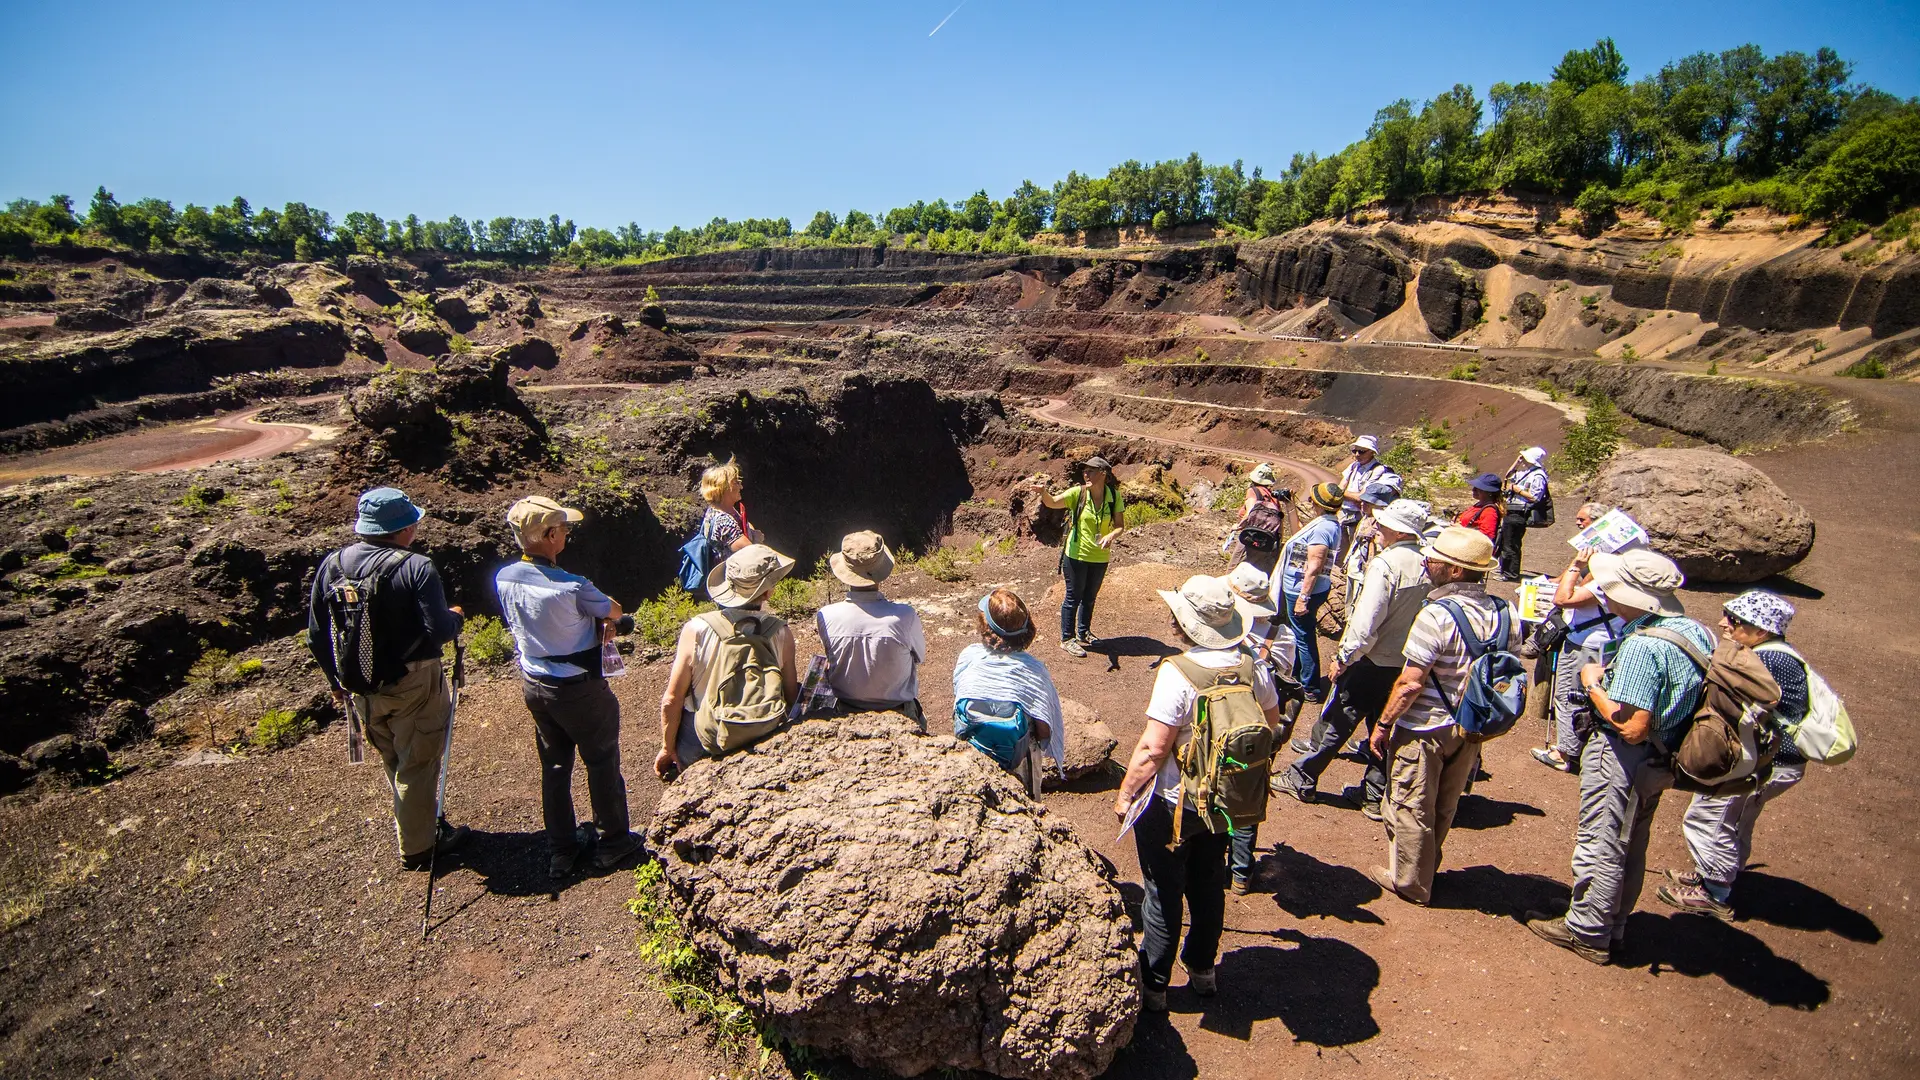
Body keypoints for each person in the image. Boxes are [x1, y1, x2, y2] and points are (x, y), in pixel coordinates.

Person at [1527, 547, 1711, 964]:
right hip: (1662, 756)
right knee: (1631, 840)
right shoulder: (1694, 631)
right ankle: (1614, 923)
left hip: (1624, 754)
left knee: (1602, 840)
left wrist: (1593, 684)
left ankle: (1588, 931)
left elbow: (1631, 725)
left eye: (1614, 589)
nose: (1607, 595)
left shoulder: (1644, 647)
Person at [1113, 575, 1282, 1011]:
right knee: (1209, 884)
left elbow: (1154, 749)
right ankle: (1203, 969)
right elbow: (1272, 723)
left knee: (1162, 890)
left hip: (1177, 803)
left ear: (1182, 623)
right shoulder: (1252, 665)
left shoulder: (1178, 672)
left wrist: (1126, 794)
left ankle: (1154, 985)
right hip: (1225, 801)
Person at [308, 487, 468, 871]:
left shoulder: (333, 564)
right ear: (405, 527)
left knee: (395, 757)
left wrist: (336, 681)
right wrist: (456, 616)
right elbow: (438, 630)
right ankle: (419, 846)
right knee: (417, 760)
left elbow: (317, 634)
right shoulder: (416, 566)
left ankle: (420, 825)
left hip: (361, 685)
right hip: (414, 681)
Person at [1361, 526, 1515, 905]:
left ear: (1456, 571)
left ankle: (1410, 881)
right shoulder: (1504, 611)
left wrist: (1383, 724)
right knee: (1446, 802)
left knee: (1409, 803)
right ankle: (1428, 865)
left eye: (1437, 560)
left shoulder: (1436, 615)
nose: (1428, 563)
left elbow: (1411, 683)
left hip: (1425, 726)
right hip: (1471, 724)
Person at [494, 496, 639, 877]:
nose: (567, 533)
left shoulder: (503, 577)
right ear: (549, 534)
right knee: (601, 760)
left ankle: (561, 848)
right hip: (579, 688)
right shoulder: (573, 586)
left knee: (555, 766)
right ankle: (613, 842)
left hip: (535, 684)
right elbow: (616, 611)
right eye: (563, 528)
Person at [1275, 499, 1432, 819]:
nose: (1379, 527)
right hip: (1401, 659)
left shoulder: (1386, 565)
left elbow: (1366, 621)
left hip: (1369, 658)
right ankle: (1374, 794)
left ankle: (1302, 777)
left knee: (1338, 719)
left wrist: (1344, 658)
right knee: (1381, 724)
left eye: (1385, 524)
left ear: (1398, 530)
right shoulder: (1427, 562)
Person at [1659, 590, 1808, 921]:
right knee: (1736, 819)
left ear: (1761, 630)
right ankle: (1717, 874)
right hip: (1778, 761)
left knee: (1708, 817)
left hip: (1757, 761)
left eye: (1735, 620)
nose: (1723, 623)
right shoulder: (1776, 653)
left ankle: (1714, 893)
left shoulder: (1766, 660)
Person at [656, 544, 800, 780]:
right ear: (767, 593)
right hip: (762, 727)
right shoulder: (781, 631)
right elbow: (790, 693)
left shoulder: (696, 629)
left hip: (705, 735)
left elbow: (672, 699)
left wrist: (666, 748)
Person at [1531, 503, 1627, 774]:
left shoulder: (1606, 577)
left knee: (1569, 694)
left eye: (1582, 520)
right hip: (1606, 639)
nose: (1577, 524)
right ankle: (1582, 747)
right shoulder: (1625, 570)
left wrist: (1576, 565)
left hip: (1586, 642)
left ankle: (1567, 752)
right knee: (1591, 692)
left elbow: (1564, 598)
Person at [951, 589, 1064, 789]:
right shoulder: (1034, 670)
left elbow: (958, 694)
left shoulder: (969, 656)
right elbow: (1045, 729)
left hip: (971, 753)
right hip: (1017, 757)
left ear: (985, 626)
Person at [817, 531, 929, 728]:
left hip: (845, 710)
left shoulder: (826, 616)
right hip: (898, 711)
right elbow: (920, 657)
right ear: (881, 571)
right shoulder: (904, 616)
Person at [1222, 562, 1285, 893]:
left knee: (1215, 798)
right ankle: (1241, 873)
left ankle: (1216, 862)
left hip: (1214, 739)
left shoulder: (1205, 657)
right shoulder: (1256, 663)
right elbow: (1272, 715)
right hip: (1250, 740)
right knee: (1246, 805)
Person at [1039, 456, 1124, 658]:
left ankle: (1084, 632)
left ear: (1103, 474)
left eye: (1091, 471)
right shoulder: (1078, 493)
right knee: (1073, 596)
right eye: (1084, 471)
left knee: (1090, 597)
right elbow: (1052, 503)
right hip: (1076, 555)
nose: (1085, 474)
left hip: (1100, 556)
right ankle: (1067, 639)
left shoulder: (1114, 496)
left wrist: (1111, 536)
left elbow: (1120, 525)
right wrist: (1043, 493)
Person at [1276, 482, 1344, 701]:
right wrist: (1290, 507)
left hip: (1301, 590)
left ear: (1318, 503)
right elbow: (1299, 535)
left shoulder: (1324, 528)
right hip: (1305, 589)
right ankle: (1297, 675)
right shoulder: (1325, 523)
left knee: (1303, 637)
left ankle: (1310, 687)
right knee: (1300, 633)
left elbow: (1315, 564)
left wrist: (1303, 599)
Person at [1342, 481, 1400, 623]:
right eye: (1363, 501)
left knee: (1358, 609)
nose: (1363, 505)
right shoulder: (1366, 518)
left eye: (1368, 503)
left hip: (1363, 574)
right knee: (1349, 606)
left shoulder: (1381, 527)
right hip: (1353, 570)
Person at [1225, 463, 1291, 575]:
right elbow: (1280, 523)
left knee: (1233, 569)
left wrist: (1238, 527)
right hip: (1267, 540)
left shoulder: (1253, 491)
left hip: (1250, 536)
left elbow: (1249, 512)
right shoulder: (1273, 498)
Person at [1496, 447, 1550, 581]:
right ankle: (1504, 569)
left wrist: (1517, 490)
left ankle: (1511, 574)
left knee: (1512, 543)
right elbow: (1508, 476)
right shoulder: (1526, 472)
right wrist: (1517, 462)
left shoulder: (1538, 476)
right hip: (1512, 510)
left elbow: (1535, 497)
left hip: (1520, 512)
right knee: (1505, 541)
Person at [697, 457, 762, 558]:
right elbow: (751, 554)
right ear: (723, 488)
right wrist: (757, 540)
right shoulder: (723, 521)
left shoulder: (718, 510)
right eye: (736, 482)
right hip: (734, 572)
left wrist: (752, 533)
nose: (741, 487)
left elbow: (745, 524)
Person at [1458, 474, 1503, 542]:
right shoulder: (1479, 505)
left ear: (1489, 493)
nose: (1473, 490)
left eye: (1478, 488)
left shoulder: (1489, 511)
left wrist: (1461, 530)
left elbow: (1486, 537)